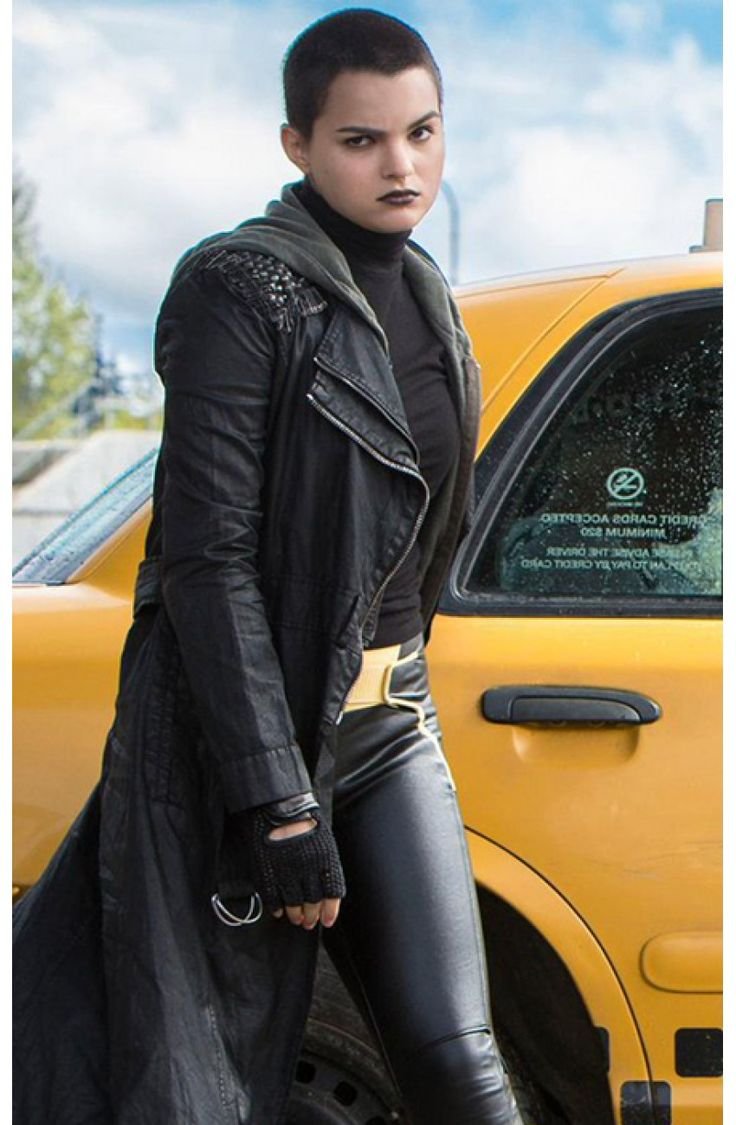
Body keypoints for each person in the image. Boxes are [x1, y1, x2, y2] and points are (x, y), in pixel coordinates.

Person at [14, 9, 524, 1124]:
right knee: (199, 1086)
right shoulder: (240, 290)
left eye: (422, 132)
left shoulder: (427, 294)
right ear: (297, 144)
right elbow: (206, 560)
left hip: (388, 726)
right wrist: (280, 801)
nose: (401, 166)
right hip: (235, 745)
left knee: (459, 1062)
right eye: (361, 140)